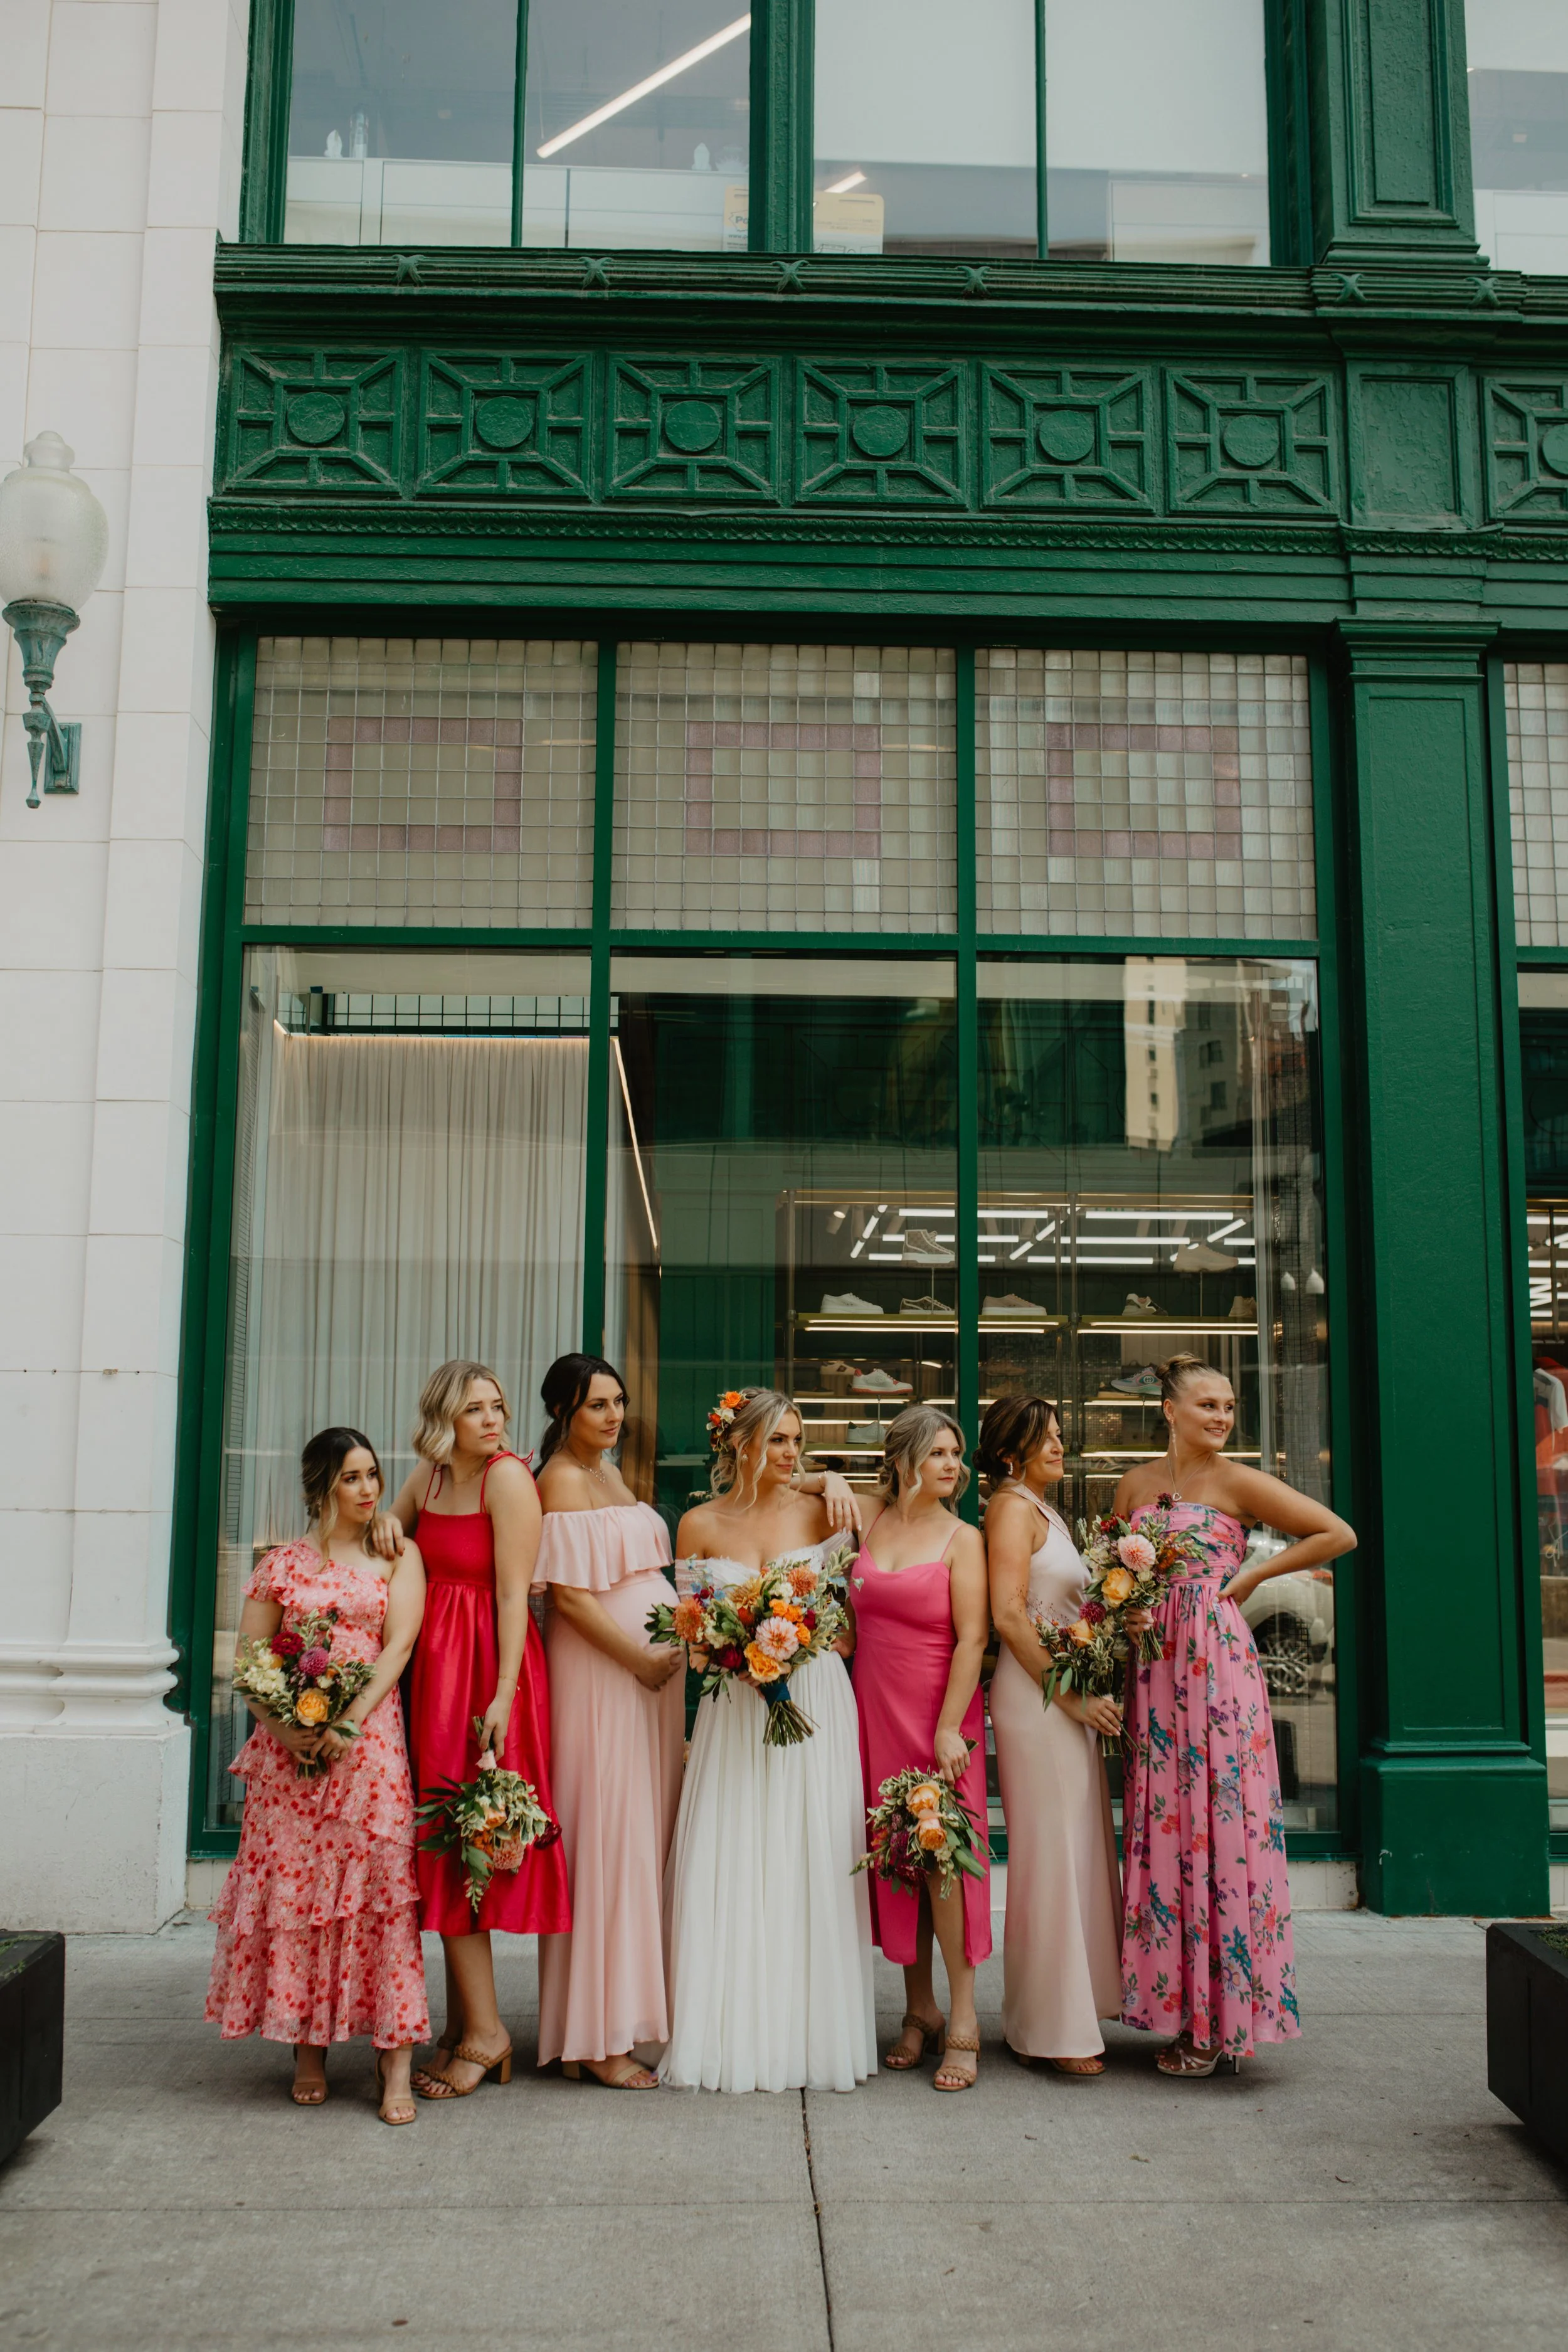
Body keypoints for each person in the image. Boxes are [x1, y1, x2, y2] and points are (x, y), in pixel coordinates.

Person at [1116, 1353, 1357, 2077]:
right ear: (1169, 1410)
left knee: (1219, 1826)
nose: (1222, 1417)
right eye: (1207, 1406)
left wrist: (1252, 1573)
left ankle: (1224, 2020)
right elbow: (1114, 1568)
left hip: (1215, 1664)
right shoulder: (1134, 1484)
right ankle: (1177, 2009)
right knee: (1167, 1825)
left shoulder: (1239, 1480)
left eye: (1227, 1406)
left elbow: (1335, 1534)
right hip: (1152, 1667)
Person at [204, 1427, 429, 2124]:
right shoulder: (281, 1567)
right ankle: (307, 2049)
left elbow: (398, 1648)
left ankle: (395, 2065)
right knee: (300, 1896)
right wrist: (285, 1728)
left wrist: (346, 1722)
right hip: (291, 1755)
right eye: (354, 1478)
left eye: (373, 1476)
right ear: (323, 1487)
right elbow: (250, 1659)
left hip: (368, 1746)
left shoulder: (399, 1554)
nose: (369, 1490)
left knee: (383, 1895)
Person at [662, 1388, 874, 2094]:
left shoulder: (825, 1510)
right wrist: (734, 1653)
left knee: (810, 1851)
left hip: (814, 1698)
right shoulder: (695, 1525)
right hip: (734, 1709)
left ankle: (812, 2032)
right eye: (777, 1441)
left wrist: (831, 1478)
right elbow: (692, 1636)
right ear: (739, 1445)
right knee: (736, 1850)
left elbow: (844, 1627)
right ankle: (729, 2027)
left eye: (797, 1440)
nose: (791, 1454)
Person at [382, 1359, 569, 2097]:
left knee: (473, 1837)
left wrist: (500, 1696)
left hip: (492, 1671)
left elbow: (516, 1598)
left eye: (498, 1407)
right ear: (442, 1420)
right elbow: (383, 1535)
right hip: (433, 1668)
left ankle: (487, 2032)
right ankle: (469, 2027)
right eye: (476, 1410)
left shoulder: (508, 1480)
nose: (494, 1420)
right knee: (444, 1839)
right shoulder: (426, 1480)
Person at [533, 1353, 686, 2090]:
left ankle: (619, 2019)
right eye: (598, 1405)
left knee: (638, 1846)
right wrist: (639, 1659)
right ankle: (593, 2038)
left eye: (619, 1402)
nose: (614, 1415)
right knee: (606, 1844)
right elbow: (569, 1598)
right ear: (565, 1410)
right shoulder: (560, 1478)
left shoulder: (608, 1473)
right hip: (604, 1678)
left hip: (645, 1685)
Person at [982, 1394, 1123, 2079]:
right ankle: (1045, 2026)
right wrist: (1071, 1698)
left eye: (1062, 1437)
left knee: (1075, 1851)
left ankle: (1070, 2006)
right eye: (1047, 1439)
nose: (1061, 1448)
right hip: (1038, 1702)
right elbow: (1008, 1617)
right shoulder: (1010, 1509)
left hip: (1062, 1694)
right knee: (1051, 1856)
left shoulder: (1044, 1510)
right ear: (1011, 1451)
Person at [850, 1406, 990, 2092]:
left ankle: (963, 2020)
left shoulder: (963, 1537)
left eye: (954, 1454)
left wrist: (947, 1727)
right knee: (900, 1857)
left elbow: (973, 1639)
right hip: (872, 1713)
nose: (951, 1465)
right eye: (937, 1452)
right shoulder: (868, 1519)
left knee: (946, 1860)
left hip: (939, 1714)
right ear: (903, 1458)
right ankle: (919, 2009)